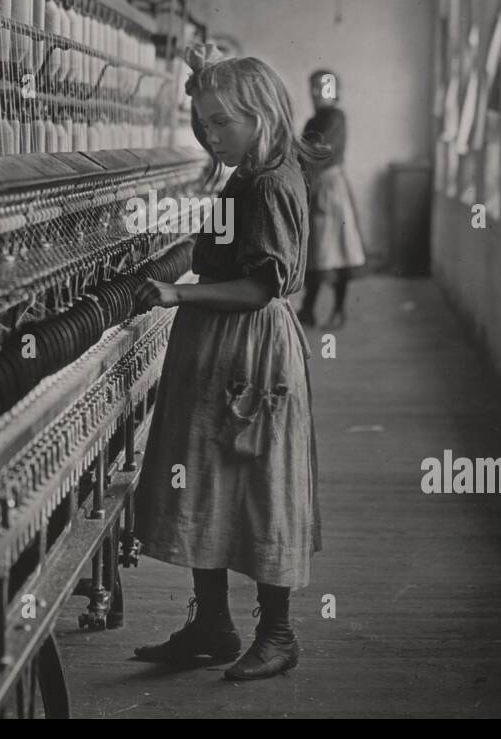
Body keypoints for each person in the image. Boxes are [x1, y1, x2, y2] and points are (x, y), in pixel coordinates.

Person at [131, 43, 328, 681]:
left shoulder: (269, 183)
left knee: (261, 486)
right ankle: (212, 625)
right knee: (208, 477)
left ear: (263, 115)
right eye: (202, 122)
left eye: (223, 122)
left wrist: (174, 292)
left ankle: (279, 635)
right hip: (217, 344)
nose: (209, 134)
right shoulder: (244, 174)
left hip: (249, 346)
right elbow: (223, 247)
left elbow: (260, 286)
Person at [298, 68, 367, 328]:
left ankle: (338, 309)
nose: (317, 93)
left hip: (330, 189)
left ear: (334, 91)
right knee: (317, 250)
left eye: (323, 87)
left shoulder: (336, 117)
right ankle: (308, 308)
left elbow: (318, 151)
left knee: (337, 251)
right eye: (314, 87)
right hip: (316, 187)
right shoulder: (312, 121)